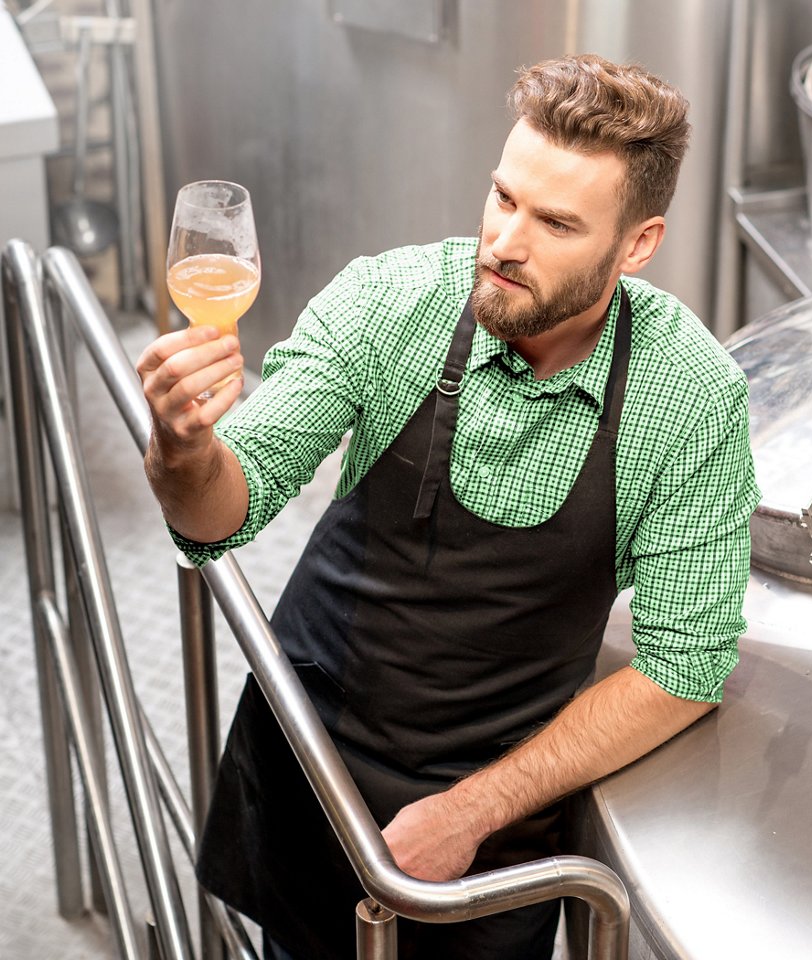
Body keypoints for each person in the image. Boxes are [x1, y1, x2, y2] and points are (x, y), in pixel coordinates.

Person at [136, 54, 758, 960]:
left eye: (555, 223)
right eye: (503, 198)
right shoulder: (392, 301)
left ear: (637, 245)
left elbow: (685, 667)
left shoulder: (690, 398)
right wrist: (182, 451)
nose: (507, 242)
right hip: (311, 753)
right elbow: (223, 513)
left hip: (491, 814)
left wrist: (473, 811)